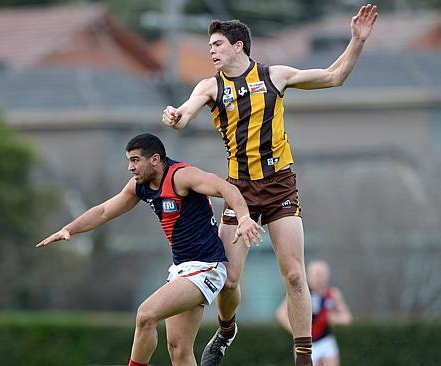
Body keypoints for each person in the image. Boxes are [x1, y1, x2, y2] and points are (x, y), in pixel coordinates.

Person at [160, 4, 377, 366]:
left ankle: (303, 357)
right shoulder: (210, 86)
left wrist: (356, 41)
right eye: (210, 45)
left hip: (279, 186)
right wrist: (175, 116)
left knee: (294, 275)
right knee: (228, 280)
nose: (211, 51)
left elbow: (333, 76)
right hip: (239, 190)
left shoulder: (275, 75)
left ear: (238, 45)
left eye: (217, 44)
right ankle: (227, 330)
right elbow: (185, 114)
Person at [37, 133, 263, 366]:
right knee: (178, 350)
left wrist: (244, 217)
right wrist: (69, 229)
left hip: (206, 267)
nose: (130, 167)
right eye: (128, 160)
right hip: (181, 270)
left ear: (155, 159)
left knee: (146, 315)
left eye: (135, 160)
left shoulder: (182, 176)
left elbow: (228, 189)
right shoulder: (140, 186)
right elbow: (104, 211)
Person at [276, 260, 352, 366]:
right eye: (315, 275)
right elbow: (281, 314)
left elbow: (347, 317)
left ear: (327, 275)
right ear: (308, 275)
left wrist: (335, 319)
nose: (318, 278)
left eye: (321, 274)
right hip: (306, 342)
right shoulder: (301, 294)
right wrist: (297, 332)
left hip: (325, 340)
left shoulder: (333, 294)